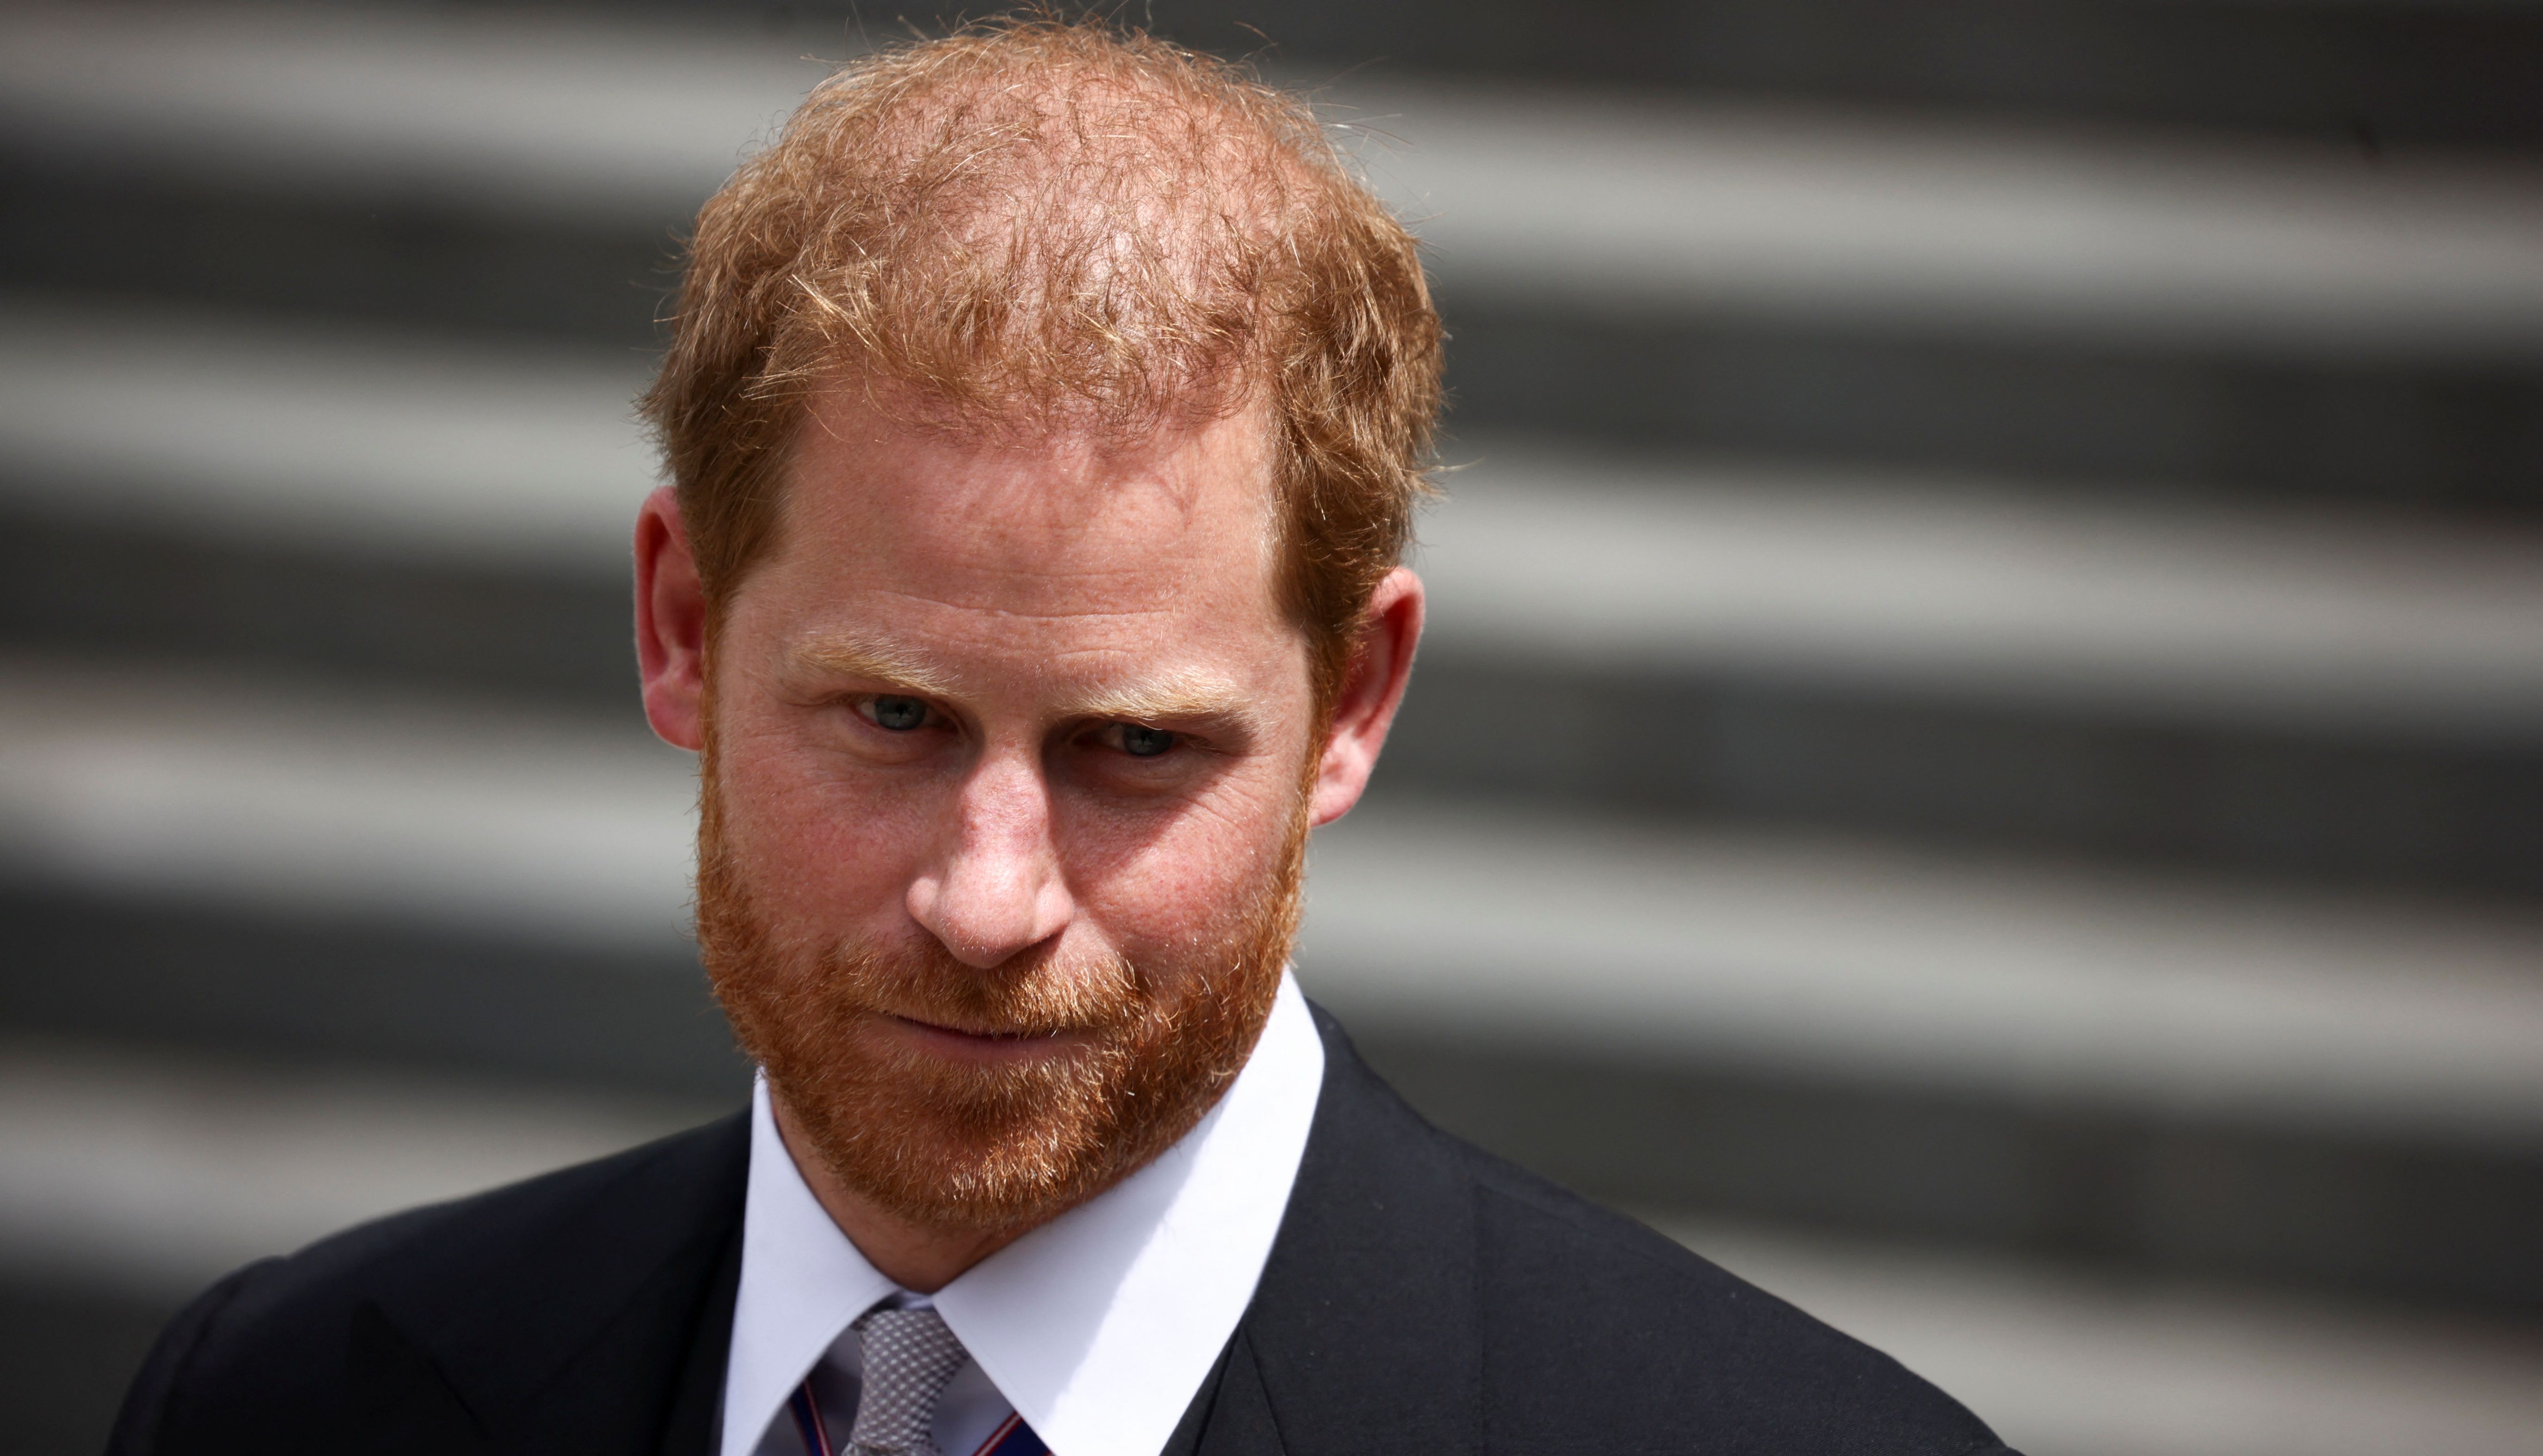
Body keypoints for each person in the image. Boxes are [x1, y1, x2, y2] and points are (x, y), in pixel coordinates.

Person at [109, 18, 2013, 1456]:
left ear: (1351, 702)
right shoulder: (282, 1399)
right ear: (681, 626)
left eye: (1133, 749)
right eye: (893, 715)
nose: (989, 898)